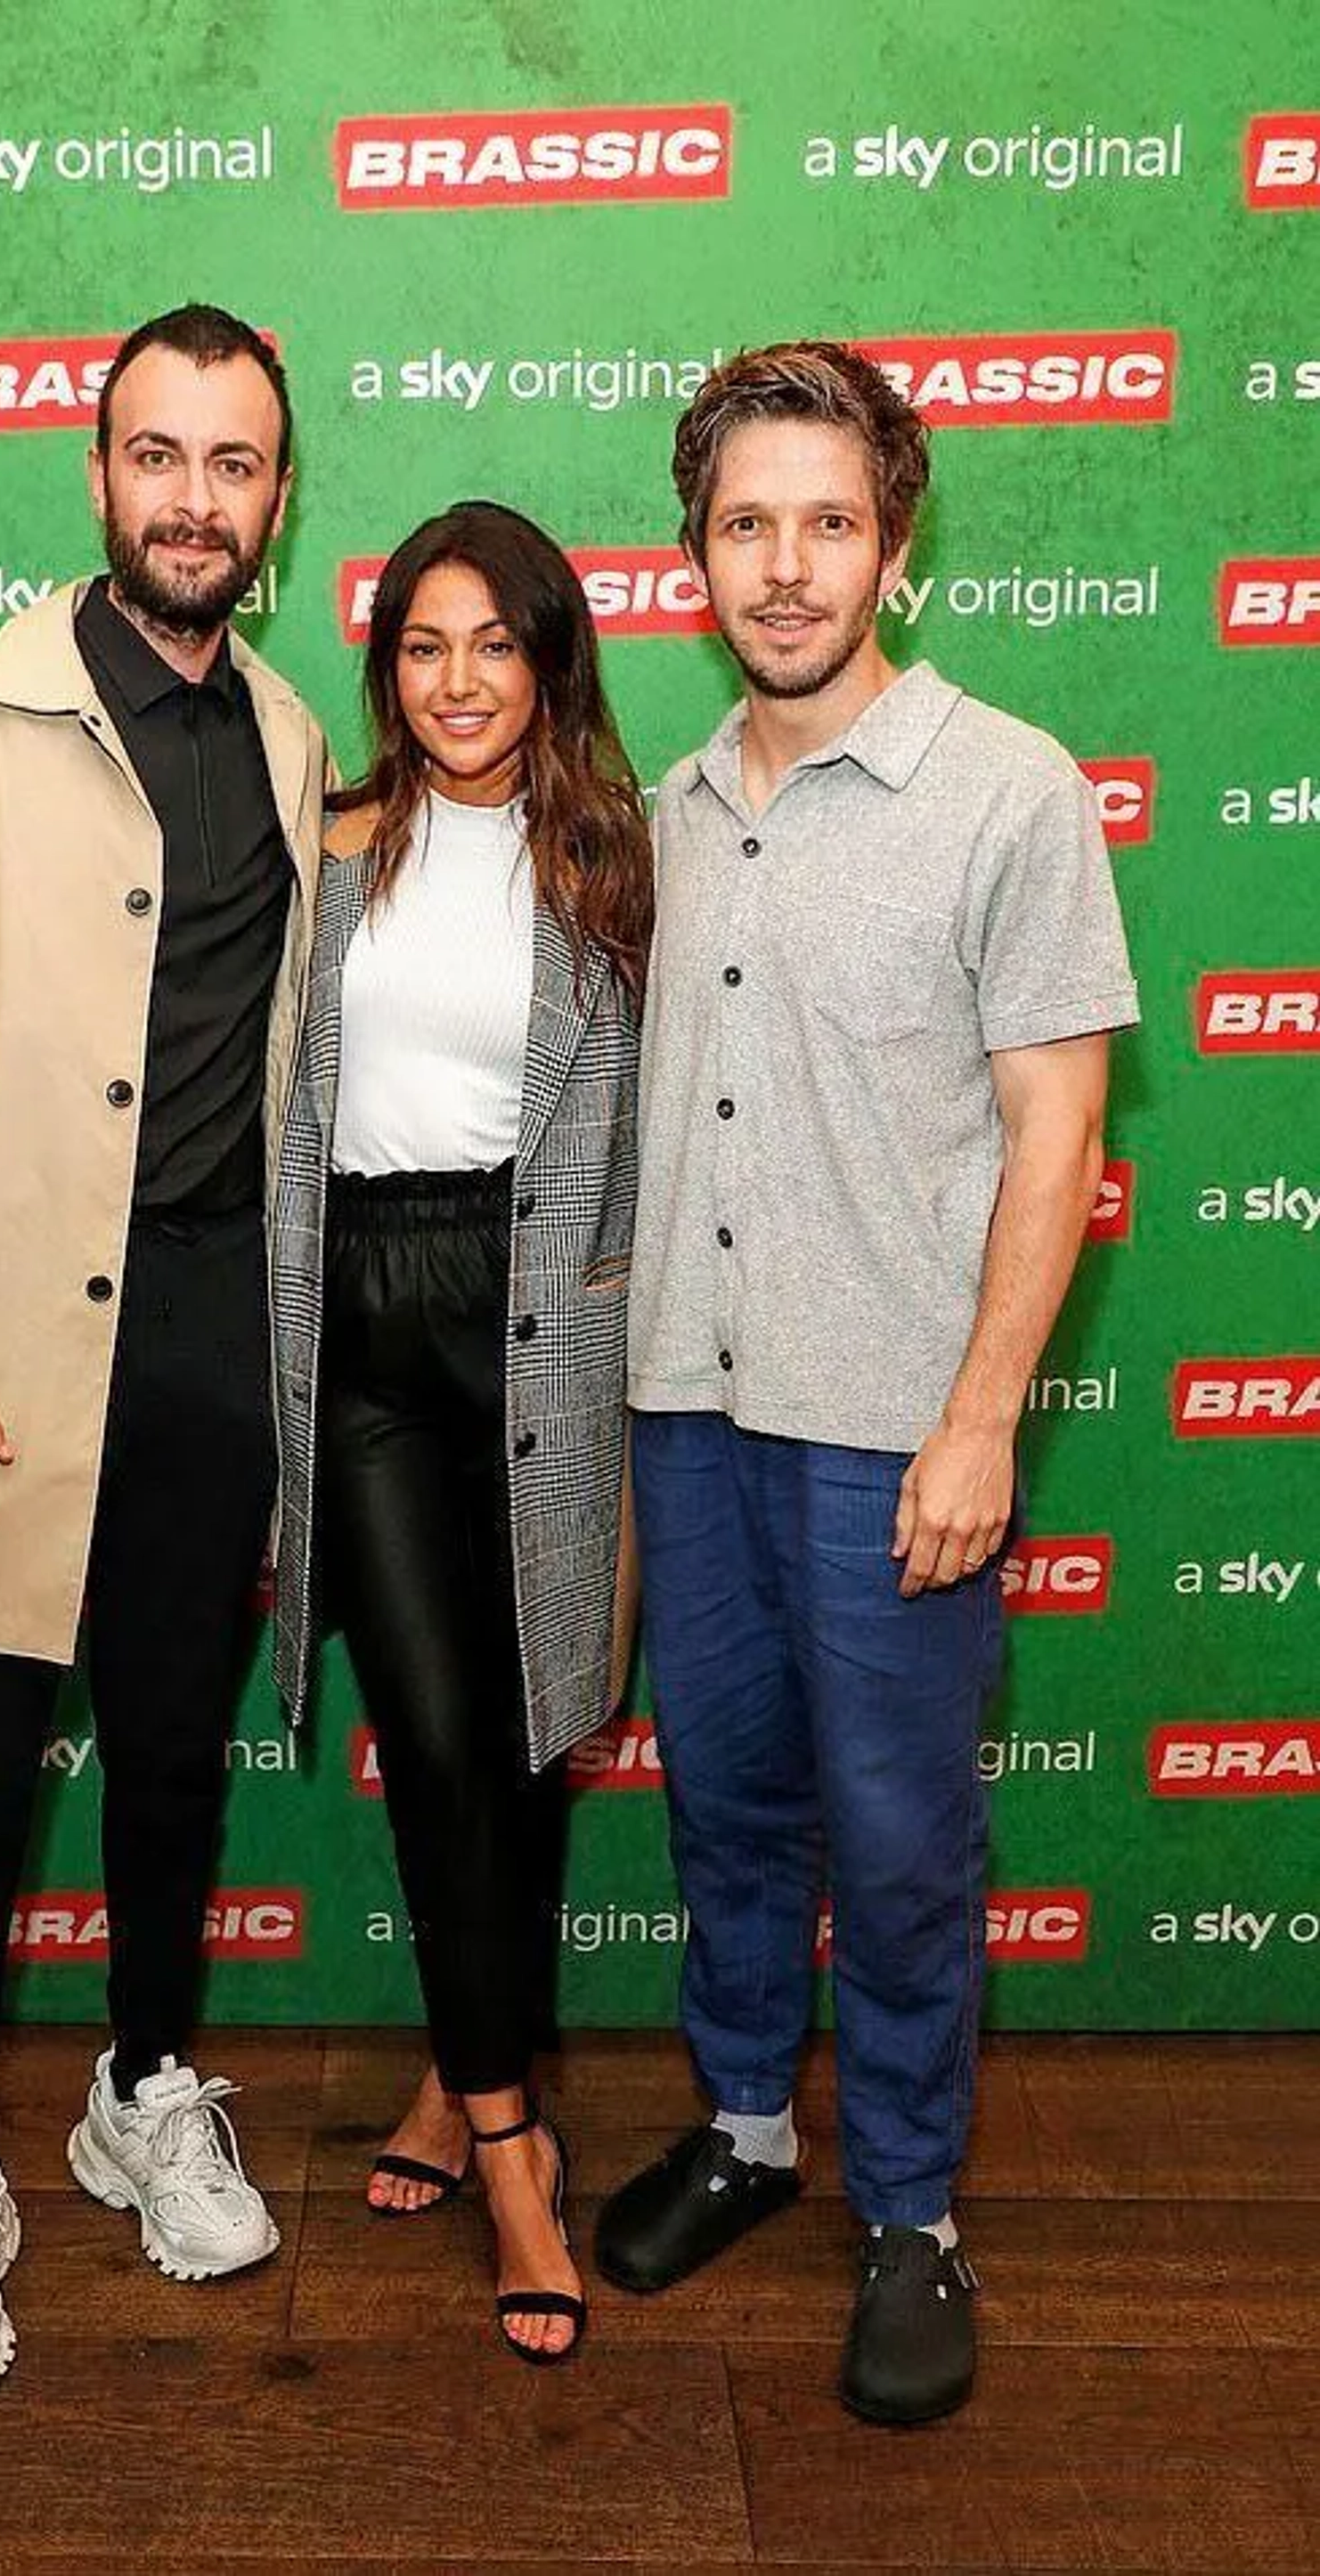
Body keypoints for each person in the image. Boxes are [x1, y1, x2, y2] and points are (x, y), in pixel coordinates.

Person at [593, 342, 1137, 2424]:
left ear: (894, 545)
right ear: (696, 554)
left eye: (829, 521)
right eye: (747, 522)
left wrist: (983, 1416)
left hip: (892, 1428)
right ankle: (746, 2126)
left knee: (899, 1838)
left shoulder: (1007, 788)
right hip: (692, 1408)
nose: (788, 562)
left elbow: (1056, 1129)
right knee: (727, 1804)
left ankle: (911, 2208)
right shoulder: (667, 816)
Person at [0, 304, 330, 2393]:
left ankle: (144, 2085)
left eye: (236, 462)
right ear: (96, 474)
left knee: (176, 1759)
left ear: (278, 500)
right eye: (158, 455)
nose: (193, 499)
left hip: (212, 1332)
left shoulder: (290, 736)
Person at [271, 500, 650, 2363]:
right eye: (424, 647)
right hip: (359, 1314)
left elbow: (661, 1128)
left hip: (540, 1322)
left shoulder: (615, 863)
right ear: (386, 669)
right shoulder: (323, 850)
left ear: (550, 657)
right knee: (430, 1729)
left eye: (495, 643)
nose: (459, 681)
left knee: (521, 1735)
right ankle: (517, 2153)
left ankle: (449, 2072)